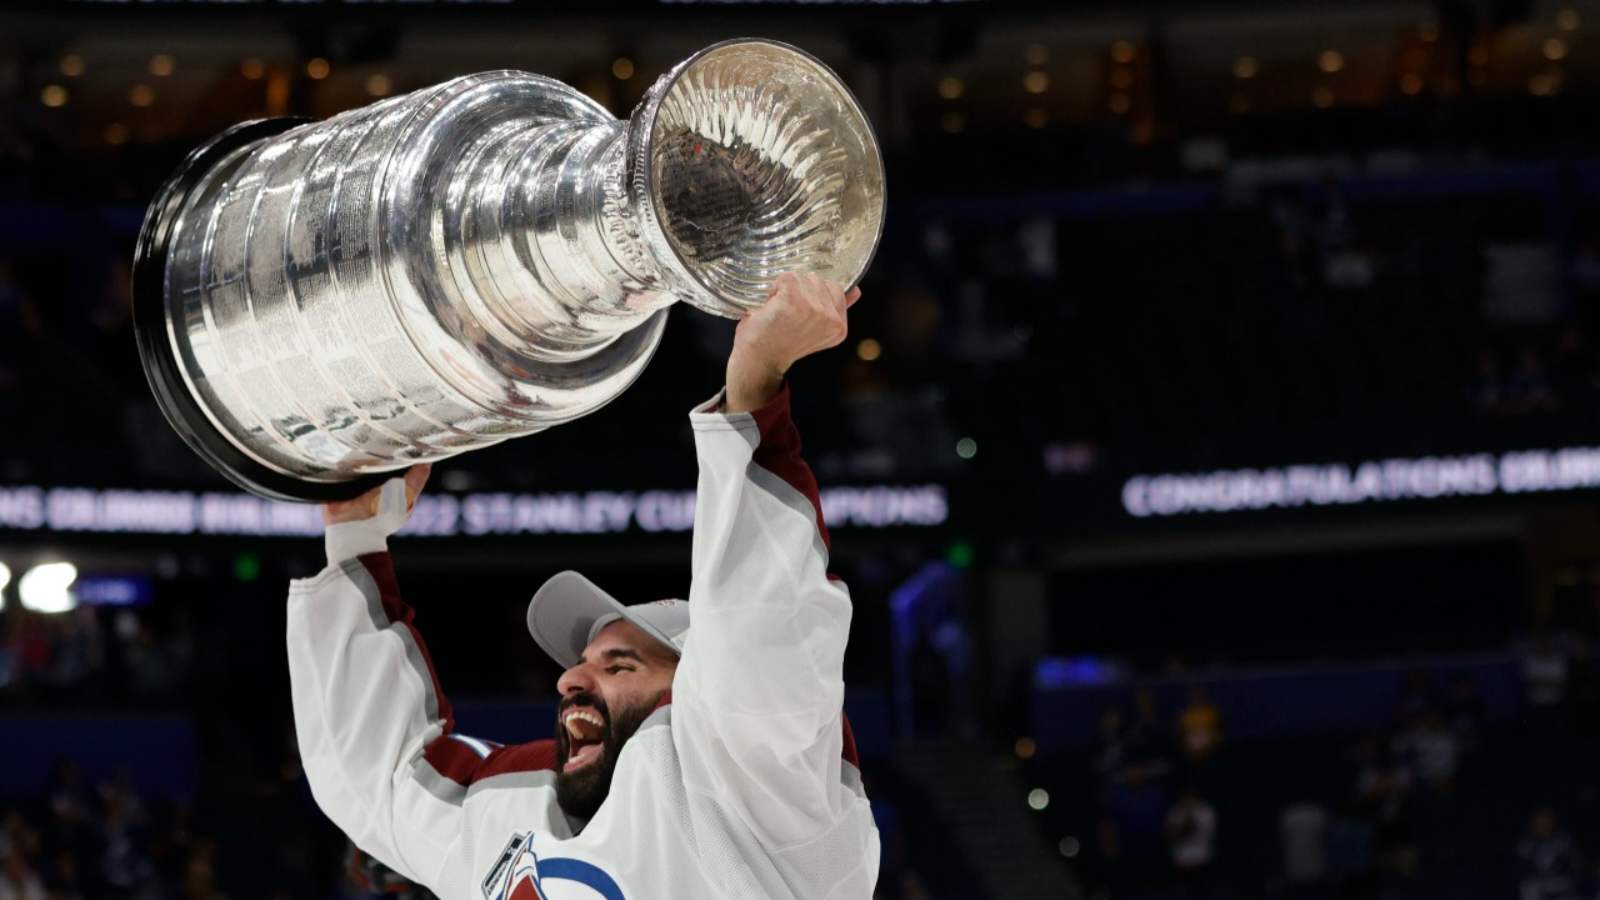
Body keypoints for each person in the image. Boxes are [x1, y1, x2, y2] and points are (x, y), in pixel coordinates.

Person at [286, 274, 878, 899]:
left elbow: (759, 634)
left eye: (620, 665)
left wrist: (755, 384)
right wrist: (353, 536)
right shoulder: (510, 823)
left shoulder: (764, 802)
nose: (570, 678)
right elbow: (381, 777)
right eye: (585, 663)